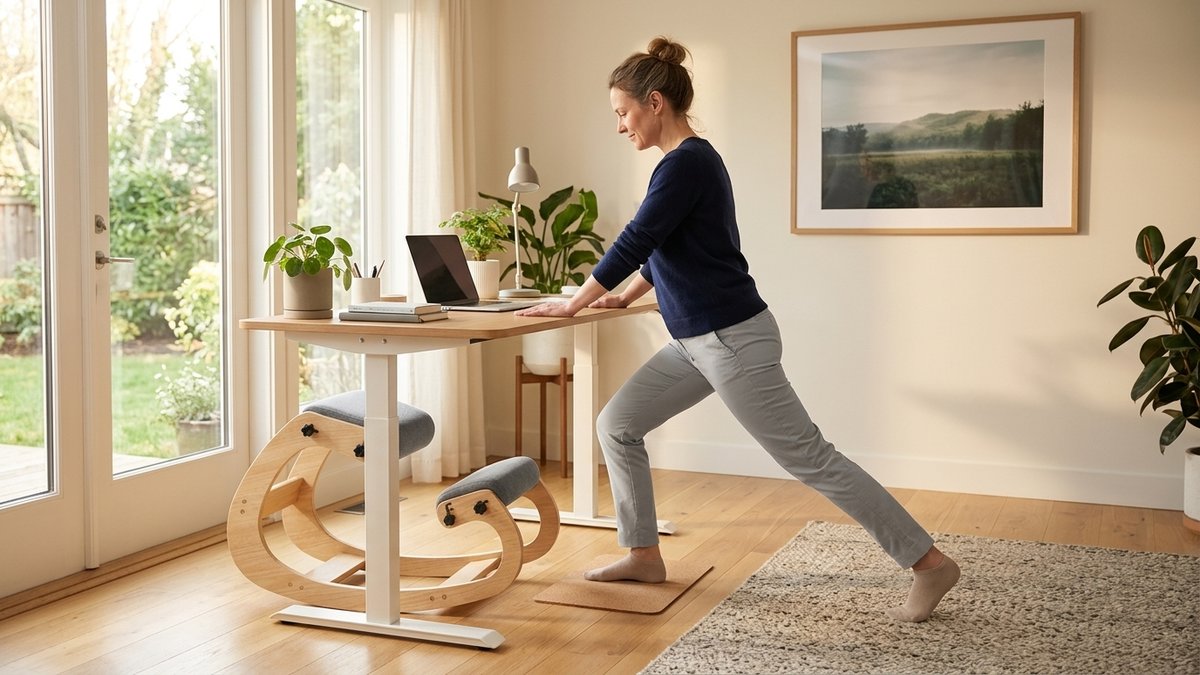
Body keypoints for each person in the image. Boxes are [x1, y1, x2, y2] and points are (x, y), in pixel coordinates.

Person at [516, 37, 959, 622]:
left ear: (654, 103)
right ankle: (643, 554)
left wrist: (574, 304)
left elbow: (638, 237)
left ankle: (929, 563)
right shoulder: (685, 165)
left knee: (812, 458)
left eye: (622, 113)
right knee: (617, 425)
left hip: (731, 339)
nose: (620, 126)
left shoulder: (688, 161)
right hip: (698, 343)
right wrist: (624, 295)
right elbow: (671, 248)